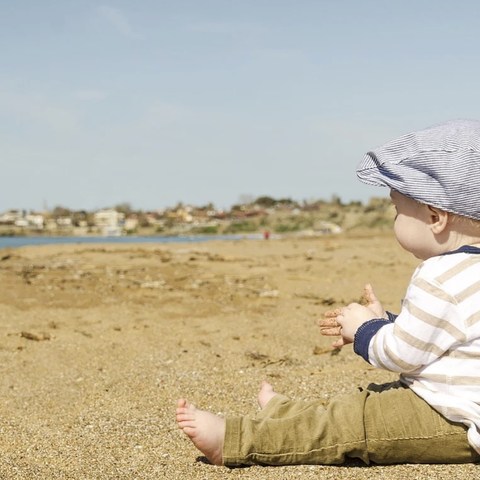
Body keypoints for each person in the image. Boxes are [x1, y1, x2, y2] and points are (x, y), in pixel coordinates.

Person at [176, 119, 480, 466]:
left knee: (354, 422)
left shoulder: (440, 274)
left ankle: (237, 438)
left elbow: (403, 355)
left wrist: (365, 331)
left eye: (398, 209)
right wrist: (387, 322)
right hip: (459, 401)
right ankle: (288, 412)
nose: (394, 219)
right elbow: (452, 336)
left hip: (455, 417)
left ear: (435, 216)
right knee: (366, 403)